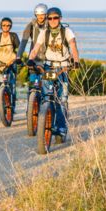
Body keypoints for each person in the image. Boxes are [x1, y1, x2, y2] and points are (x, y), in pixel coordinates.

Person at [27, 7, 80, 136]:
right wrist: (30, 59)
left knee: (62, 100)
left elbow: (73, 46)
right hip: (48, 67)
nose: (52, 20)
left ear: (60, 18)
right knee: (47, 97)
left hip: (63, 68)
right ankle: (45, 119)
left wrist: (76, 61)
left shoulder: (67, 31)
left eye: (55, 17)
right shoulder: (44, 32)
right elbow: (36, 48)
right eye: (49, 18)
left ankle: (62, 127)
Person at [15, 3, 48, 94]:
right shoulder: (31, 26)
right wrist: (18, 56)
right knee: (32, 85)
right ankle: (30, 107)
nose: (40, 16)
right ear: (35, 15)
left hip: (48, 59)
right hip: (34, 59)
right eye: (38, 14)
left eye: (42, 14)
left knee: (48, 85)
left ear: (46, 15)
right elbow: (24, 41)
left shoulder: (50, 25)